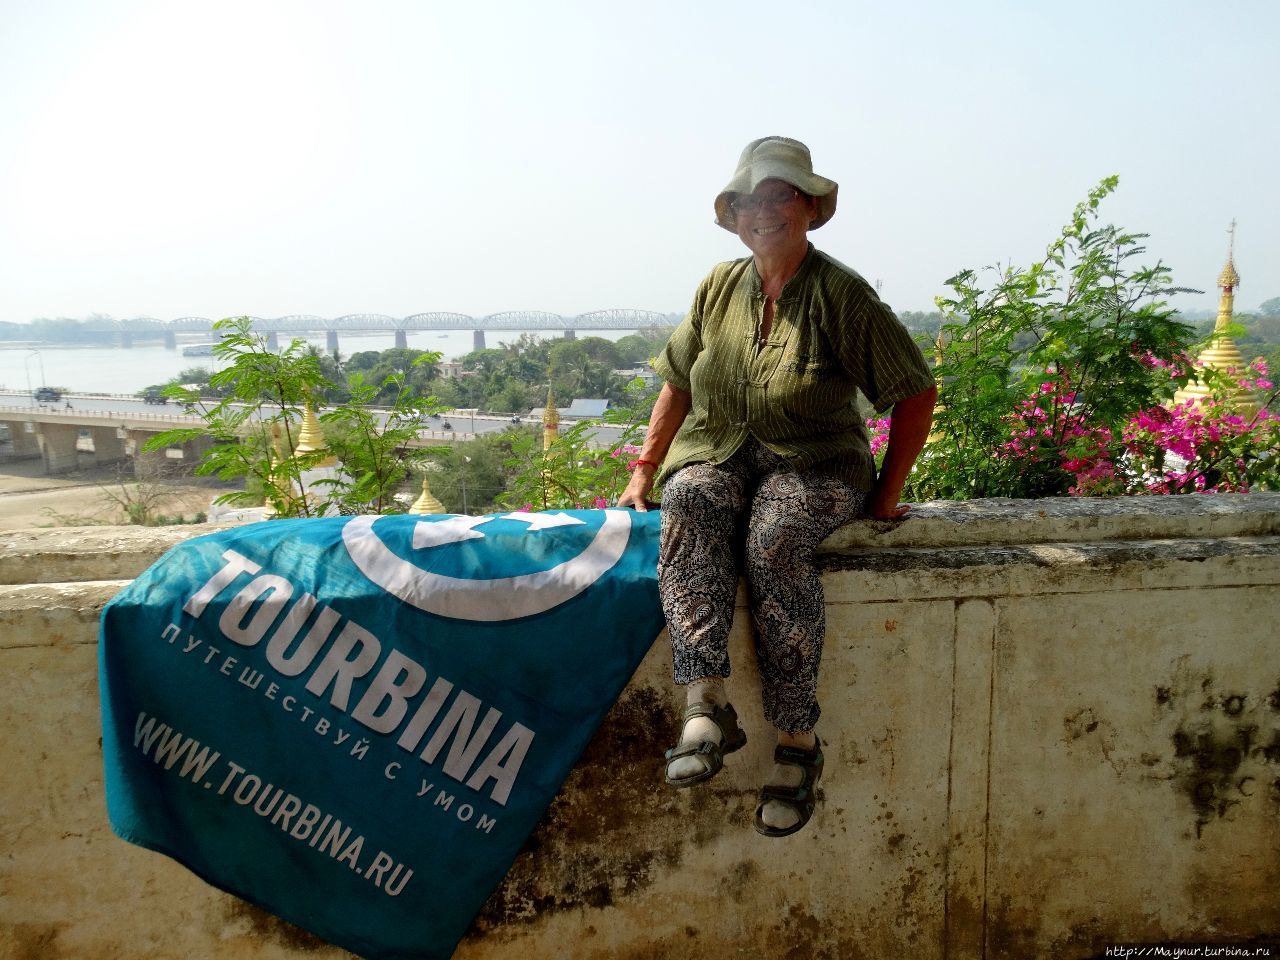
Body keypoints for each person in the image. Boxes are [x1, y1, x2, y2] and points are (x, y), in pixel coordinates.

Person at [618, 136, 937, 837]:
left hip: (816, 461)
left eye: (781, 195)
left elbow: (914, 392)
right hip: (720, 451)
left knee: (775, 540)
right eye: (751, 200)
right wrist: (645, 466)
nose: (765, 211)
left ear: (809, 208)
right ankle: (706, 704)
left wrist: (886, 493)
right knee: (688, 502)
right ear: (734, 215)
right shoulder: (718, 286)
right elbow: (677, 380)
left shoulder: (842, 295)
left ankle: (796, 741)